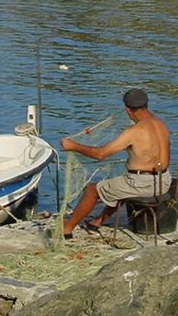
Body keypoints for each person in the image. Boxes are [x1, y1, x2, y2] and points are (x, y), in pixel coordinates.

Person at [60, 88, 171, 238]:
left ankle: (67, 228)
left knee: (92, 190)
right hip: (164, 181)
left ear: (127, 110)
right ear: (146, 105)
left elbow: (101, 154)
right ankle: (97, 222)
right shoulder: (160, 123)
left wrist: (74, 146)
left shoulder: (134, 131)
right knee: (120, 184)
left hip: (142, 184)